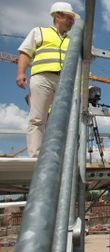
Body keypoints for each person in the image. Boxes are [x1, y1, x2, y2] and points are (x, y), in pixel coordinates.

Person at [15, 2, 79, 157]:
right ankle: (36, 156)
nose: (72, 21)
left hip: (65, 82)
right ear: (58, 16)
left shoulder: (72, 41)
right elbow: (25, 52)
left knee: (65, 120)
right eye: (69, 18)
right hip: (42, 78)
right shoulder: (39, 32)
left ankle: (61, 158)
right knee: (37, 118)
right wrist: (21, 73)